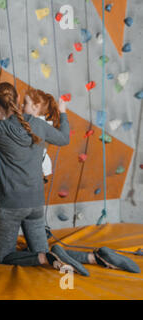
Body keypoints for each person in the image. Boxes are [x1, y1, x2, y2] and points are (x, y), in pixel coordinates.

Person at [0, 82, 92, 275]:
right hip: (35, 203)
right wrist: (62, 112)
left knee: (5, 256)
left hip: (11, 205)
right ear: (18, 100)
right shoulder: (38, 124)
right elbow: (64, 138)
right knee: (41, 249)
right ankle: (91, 257)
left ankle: (45, 257)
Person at [22, 88, 140, 274]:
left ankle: (84, 257)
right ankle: (95, 257)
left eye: (25, 103)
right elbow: (62, 135)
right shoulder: (45, 124)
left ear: (36, 107)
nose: (21, 107)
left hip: (26, 187)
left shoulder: (33, 125)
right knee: (36, 248)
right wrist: (62, 112)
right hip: (36, 182)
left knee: (33, 252)